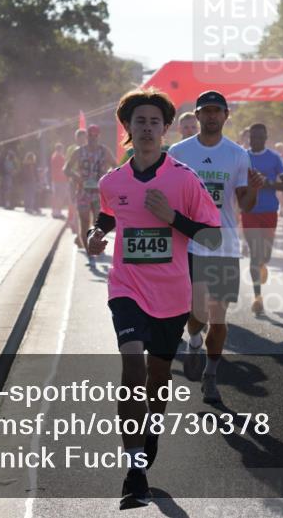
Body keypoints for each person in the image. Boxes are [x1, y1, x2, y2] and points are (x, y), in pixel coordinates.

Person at [86, 88, 221, 508]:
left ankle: (149, 432)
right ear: (127, 128)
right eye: (139, 122)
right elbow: (110, 213)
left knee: (157, 378)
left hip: (171, 293)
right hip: (126, 287)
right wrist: (97, 233)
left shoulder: (184, 178)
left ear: (164, 130)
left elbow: (213, 236)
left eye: (154, 122)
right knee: (131, 364)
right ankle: (134, 470)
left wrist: (172, 218)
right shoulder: (112, 180)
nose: (147, 128)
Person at [169, 91, 264, 403]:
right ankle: (194, 339)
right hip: (191, 244)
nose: (211, 116)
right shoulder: (179, 151)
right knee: (195, 314)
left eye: (217, 111)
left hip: (224, 245)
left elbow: (245, 204)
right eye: (205, 111)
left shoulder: (236, 154)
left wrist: (253, 189)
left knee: (219, 316)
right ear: (197, 116)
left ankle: (210, 376)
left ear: (226, 115)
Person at [243, 123, 283, 315]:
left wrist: (267, 182)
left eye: (260, 137)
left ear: (266, 137)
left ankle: (263, 263)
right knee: (255, 253)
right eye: (253, 137)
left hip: (269, 211)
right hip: (249, 211)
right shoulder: (242, 156)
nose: (256, 140)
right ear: (249, 137)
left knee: (265, 255)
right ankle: (257, 297)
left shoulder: (274, 158)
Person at [65, 125, 112, 255]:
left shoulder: (104, 151)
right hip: (83, 192)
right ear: (87, 137)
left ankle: (96, 247)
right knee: (84, 221)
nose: (93, 138)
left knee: (99, 224)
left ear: (99, 136)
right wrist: (77, 177)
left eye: (95, 136)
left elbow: (116, 166)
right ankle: (87, 249)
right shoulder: (79, 152)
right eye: (90, 136)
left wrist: (106, 176)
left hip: (99, 193)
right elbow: (66, 169)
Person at [48, 143, 67, 218]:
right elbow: (64, 168)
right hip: (60, 179)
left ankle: (55, 211)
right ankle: (57, 211)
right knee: (60, 196)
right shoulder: (59, 157)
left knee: (56, 195)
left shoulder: (54, 156)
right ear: (60, 149)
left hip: (55, 179)